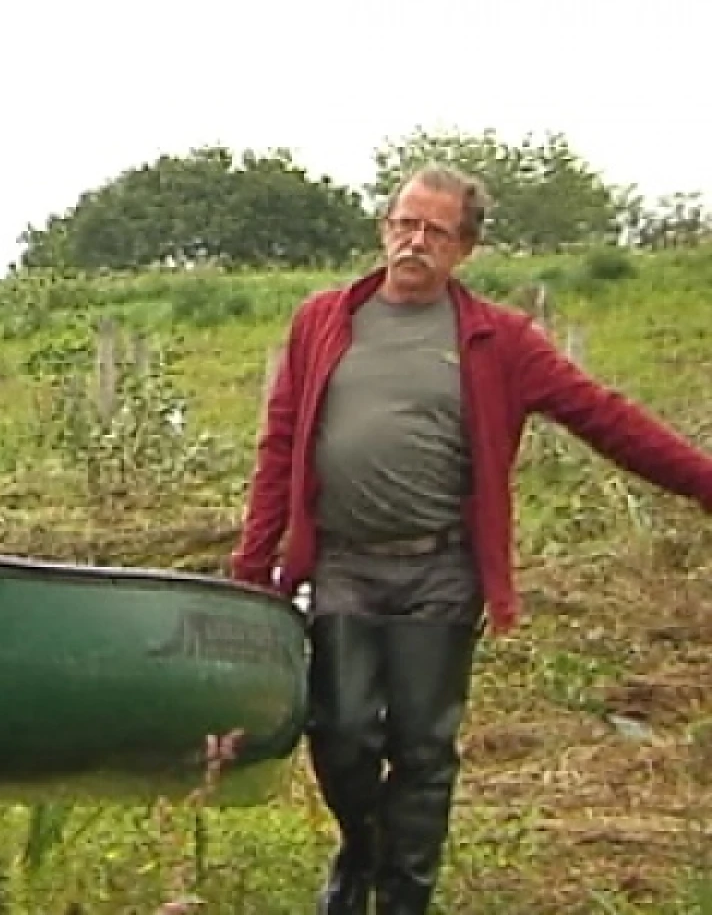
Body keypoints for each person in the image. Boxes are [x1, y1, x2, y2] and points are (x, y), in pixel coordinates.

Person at [227, 163, 712, 914]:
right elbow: (279, 444)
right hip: (345, 565)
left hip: (441, 570)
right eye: (403, 223)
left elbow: (604, 416)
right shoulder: (323, 320)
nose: (413, 241)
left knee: (422, 746)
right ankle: (363, 852)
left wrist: (704, 482)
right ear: (384, 226)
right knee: (342, 734)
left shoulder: (500, 340)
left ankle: (403, 900)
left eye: (434, 230)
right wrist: (253, 568)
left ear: (465, 249)